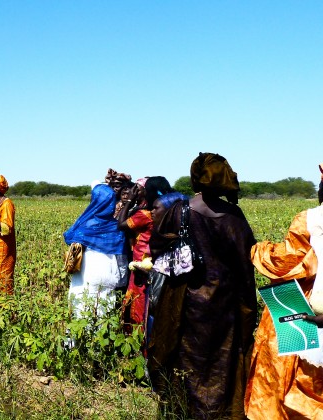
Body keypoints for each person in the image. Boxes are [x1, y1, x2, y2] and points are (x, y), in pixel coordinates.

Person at [147, 153, 257, 419]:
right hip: (226, 304)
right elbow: (246, 262)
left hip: (185, 301)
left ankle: (185, 411)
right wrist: (247, 308)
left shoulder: (179, 211)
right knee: (222, 361)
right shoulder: (234, 216)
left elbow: (157, 246)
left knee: (186, 359)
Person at [244, 163, 323, 419]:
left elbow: (286, 261)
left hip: (308, 306)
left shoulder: (309, 220)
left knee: (292, 379)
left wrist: (258, 250)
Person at [117, 176, 173, 330]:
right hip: (158, 261)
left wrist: (129, 201)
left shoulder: (146, 214)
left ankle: (138, 336)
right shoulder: (169, 210)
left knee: (140, 300)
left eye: (139, 189)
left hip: (142, 261)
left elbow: (121, 225)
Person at [63, 183, 126, 318]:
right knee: (104, 310)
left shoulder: (85, 224)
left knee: (80, 308)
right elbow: (121, 257)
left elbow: (70, 237)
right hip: (108, 271)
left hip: (86, 271)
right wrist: (122, 280)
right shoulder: (116, 227)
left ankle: (79, 338)